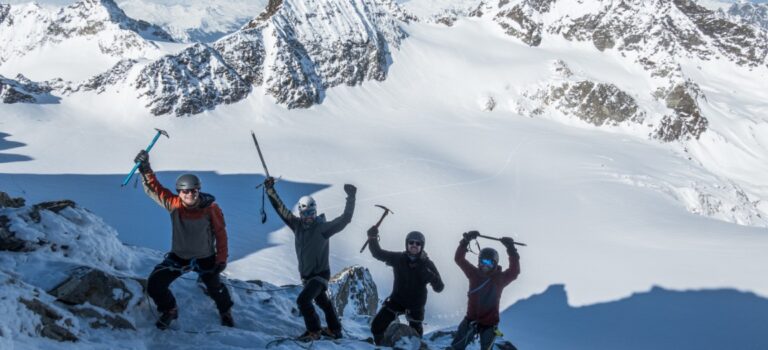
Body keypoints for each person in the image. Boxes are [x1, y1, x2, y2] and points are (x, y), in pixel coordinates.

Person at [134, 150, 234, 330]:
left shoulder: (211, 209)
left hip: (206, 257)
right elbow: (155, 189)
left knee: (216, 288)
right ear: (179, 192)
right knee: (155, 284)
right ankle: (170, 309)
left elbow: (220, 234)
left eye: (194, 190)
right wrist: (145, 168)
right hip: (179, 257)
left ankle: (225, 311)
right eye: (186, 191)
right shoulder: (174, 205)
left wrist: (221, 259)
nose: (190, 194)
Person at [264, 176, 356, 341]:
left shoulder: (322, 228)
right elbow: (281, 209)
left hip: (320, 275)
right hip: (307, 277)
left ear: (315, 211)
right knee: (324, 303)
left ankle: (314, 331)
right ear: (300, 212)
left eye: (312, 213)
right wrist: (270, 190)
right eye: (305, 213)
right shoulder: (296, 225)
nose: (309, 216)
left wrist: (351, 196)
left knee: (303, 301)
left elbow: (345, 219)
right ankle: (335, 330)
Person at [365, 227, 444, 345]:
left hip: (416, 305)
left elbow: (439, 288)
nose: (414, 245)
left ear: (422, 246)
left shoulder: (427, 264)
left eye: (418, 243)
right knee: (377, 326)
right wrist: (372, 238)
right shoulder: (398, 258)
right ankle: (381, 346)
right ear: (406, 244)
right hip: (397, 300)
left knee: (415, 337)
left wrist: (431, 277)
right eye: (411, 242)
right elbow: (378, 253)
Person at [450, 230, 520, 350]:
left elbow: (514, 271)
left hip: (489, 324)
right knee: (456, 347)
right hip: (470, 320)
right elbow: (459, 259)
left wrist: (511, 249)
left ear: (494, 263)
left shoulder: (500, 279)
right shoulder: (474, 274)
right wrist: (465, 242)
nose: (484, 265)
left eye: (488, 262)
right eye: (482, 261)